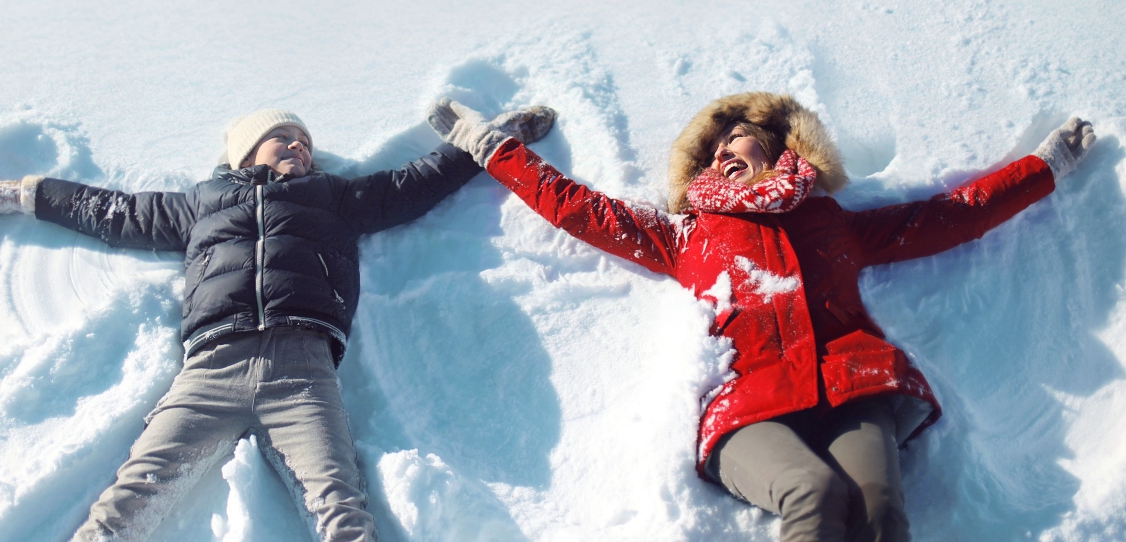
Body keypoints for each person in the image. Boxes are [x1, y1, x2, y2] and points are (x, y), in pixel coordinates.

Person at [428, 92, 1096, 542]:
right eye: (714, 148)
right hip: (750, 408)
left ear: (779, 149)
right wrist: (487, 143)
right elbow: (574, 205)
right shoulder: (687, 233)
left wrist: (1046, 166)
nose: (724, 150)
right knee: (814, 492)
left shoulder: (829, 220)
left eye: (738, 138)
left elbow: (952, 215)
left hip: (851, 382)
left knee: (880, 505)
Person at [0, 106, 554, 541]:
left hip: (303, 372)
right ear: (245, 152)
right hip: (210, 370)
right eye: (283, 139)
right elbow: (113, 212)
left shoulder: (334, 197)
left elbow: (415, 182)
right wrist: (23, 193)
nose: (299, 148)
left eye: (304, 142)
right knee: (131, 499)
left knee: (341, 509)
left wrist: (492, 137)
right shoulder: (199, 203)